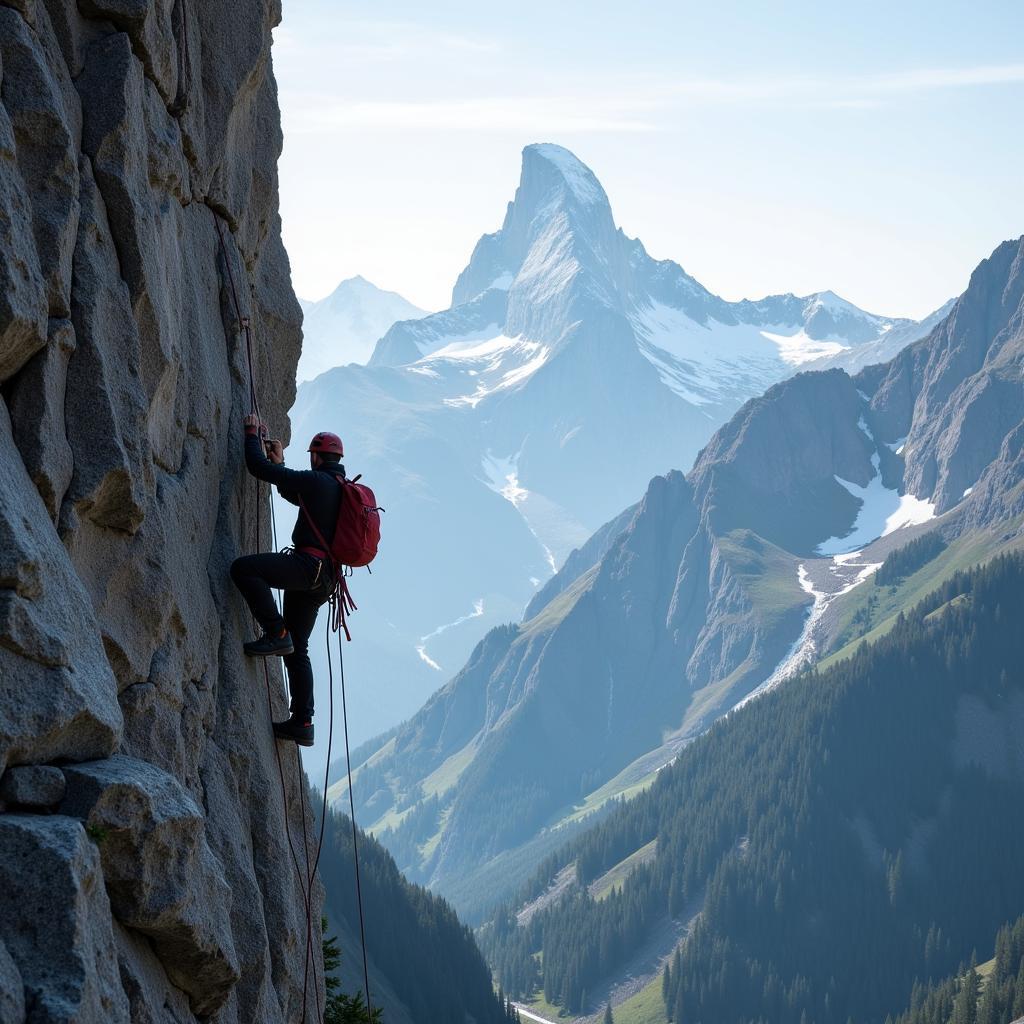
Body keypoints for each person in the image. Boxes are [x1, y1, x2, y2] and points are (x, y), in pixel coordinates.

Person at [230, 413, 346, 747]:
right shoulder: (338, 488)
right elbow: (293, 494)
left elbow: (259, 470)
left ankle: (275, 632)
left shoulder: (316, 483)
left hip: (306, 566)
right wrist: (280, 463)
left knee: (244, 569)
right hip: (325, 580)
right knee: (299, 647)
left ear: (315, 456)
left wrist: (252, 434)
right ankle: (303, 722)